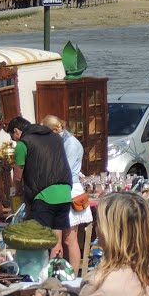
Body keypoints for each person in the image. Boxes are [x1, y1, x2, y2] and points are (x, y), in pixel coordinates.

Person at [7, 116, 72, 255]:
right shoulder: (55, 137)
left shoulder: (23, 143)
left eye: (13, 138)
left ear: (16, 131)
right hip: (65, 193)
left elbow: (18, 176)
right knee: (56, 241)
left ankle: (43, 273)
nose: (15, 141)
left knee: (42, 241)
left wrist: (16, 192)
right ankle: (57, 272)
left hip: (44, 196)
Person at [42, 115, 92, 273]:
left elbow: (66, 171)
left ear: (57, 129)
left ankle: (73, 277)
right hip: (61, 190)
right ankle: (59, 274)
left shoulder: (71, 144)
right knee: (59, 240)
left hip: (69, 191)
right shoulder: (60, 141)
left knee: (70, 239)